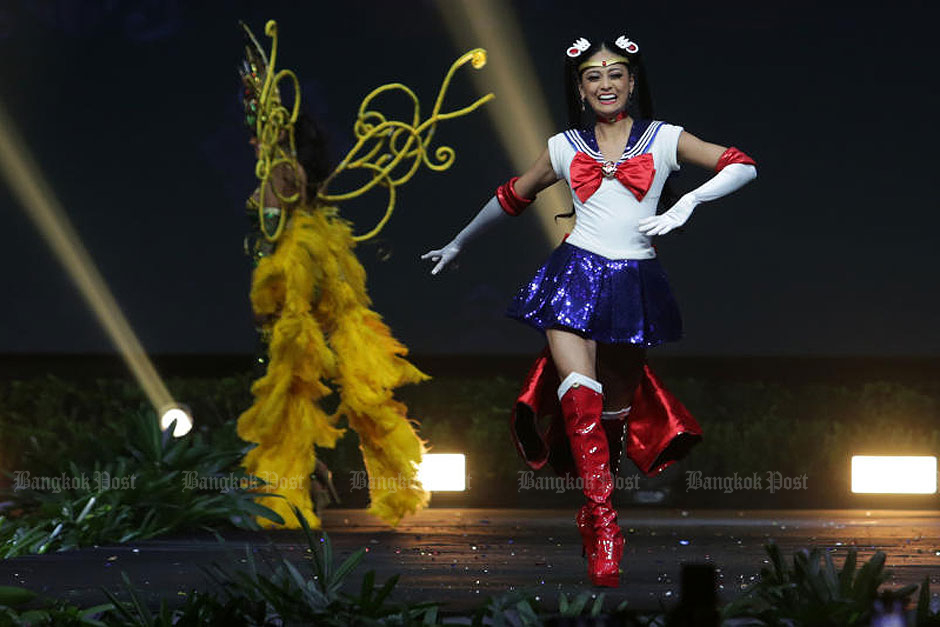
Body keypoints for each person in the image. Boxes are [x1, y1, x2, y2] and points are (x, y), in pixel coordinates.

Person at [422, 33, 757, 587]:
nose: (605, 84)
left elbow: (742, 165)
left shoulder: (664, 138)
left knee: (613, 415)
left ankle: (598, 504)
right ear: (580, 90)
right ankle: (604, 525)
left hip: (633, 281)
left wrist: (687, 204)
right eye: (593, 77)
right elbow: (512, 195)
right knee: (579, 398)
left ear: (632, 82)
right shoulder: (562, 146)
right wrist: (459, 241)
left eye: (616, 74)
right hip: (574, 275)